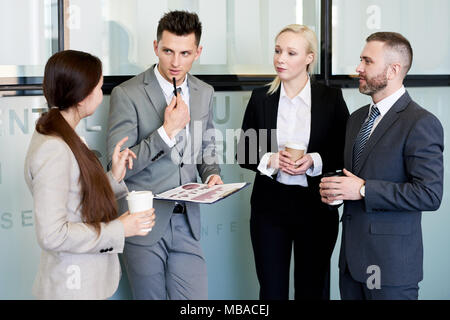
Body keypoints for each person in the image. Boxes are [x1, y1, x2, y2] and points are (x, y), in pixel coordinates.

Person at [106, 10, 222, 300]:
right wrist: (166, 132)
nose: (175, 62)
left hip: (188, 222)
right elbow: (117, 167)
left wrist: (212, 174)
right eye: (168, 51)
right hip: (144, 222)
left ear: (198, 52)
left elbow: (206, 146)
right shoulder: (127, 94)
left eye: (185, 53)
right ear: (155, 47)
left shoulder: (204, 92)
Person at [320, 32, 444, 300]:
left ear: (393, 70)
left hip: (391, 270)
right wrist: (337, 192)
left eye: (367, 61)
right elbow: (354, 178)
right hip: (351, 266)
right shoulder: (356, 120)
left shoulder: (421, 123)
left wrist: (363, 189)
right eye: (360, 60)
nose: (358, 68)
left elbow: (430, 194)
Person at [24, 50, 155, 300]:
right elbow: (53, 235)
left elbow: (75, 197)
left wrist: (114, 177)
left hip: (83, 282)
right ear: (82, 97)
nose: (101, 93)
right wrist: (119, 229)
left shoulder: (62, 134)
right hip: (71, 286)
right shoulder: (54, 147)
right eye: (98, 86)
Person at [237, 24, 349, 300]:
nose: (280, 59)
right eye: (277, 51)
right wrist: (271, 159)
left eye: (290, 52)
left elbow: (345, 151)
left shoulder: (330, 98)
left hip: (316, 206)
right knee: (272, 291)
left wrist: (314, 160)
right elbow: (245, 153)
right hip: (269, 207)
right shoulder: (261, 97)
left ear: (309, 58)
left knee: (313, 290)